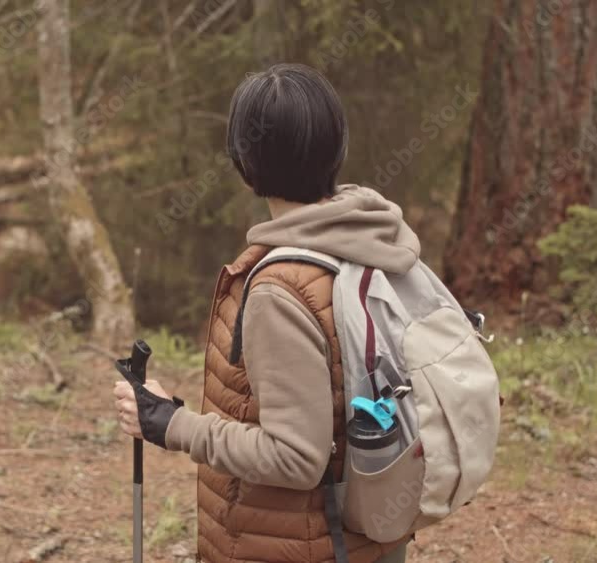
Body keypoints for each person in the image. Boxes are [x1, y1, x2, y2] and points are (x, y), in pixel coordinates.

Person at [112, 64, 415, 563]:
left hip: (301, 546)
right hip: (371, 538)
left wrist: (171, 424)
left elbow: (295, 457)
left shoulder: (280, 291)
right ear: (337, 148)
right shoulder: (370, 242)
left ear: (244, 162)